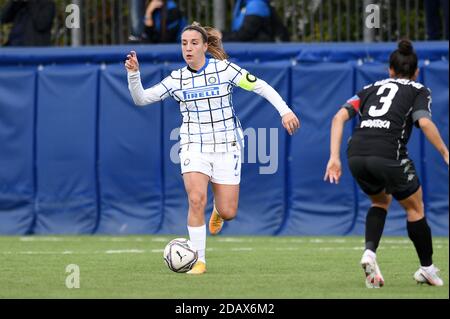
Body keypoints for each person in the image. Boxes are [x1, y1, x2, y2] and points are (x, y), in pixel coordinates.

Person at [125, 22, 300, 274]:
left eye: (194, 43)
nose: (188, 48)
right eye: (184, 43)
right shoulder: (177, 79)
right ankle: (199, 261)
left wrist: (285, 111)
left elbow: (260, 85)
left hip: (227, 145)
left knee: (229, 211)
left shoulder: (225, 69)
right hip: (193, 145)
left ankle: (219, 211)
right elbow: (141, 99)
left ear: (206, 46)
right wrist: (134, 75)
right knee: (196, 199)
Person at [324, 40, 448, 288]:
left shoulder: (369, 87)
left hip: (355, 154)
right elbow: (423, 122)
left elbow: (339, 116)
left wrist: (334, 157)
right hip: (388, 154)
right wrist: (445, 152)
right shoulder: (419, 89)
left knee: (380, 201)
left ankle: (369, 253)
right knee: (415, 209)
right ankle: (427, 269)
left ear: (390, 70)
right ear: (416, 72)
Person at [222, 0, 289, 42]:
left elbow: (245, 34)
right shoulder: (245, 4)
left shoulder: (256, 5)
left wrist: (221, 36)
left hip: (257, 56)